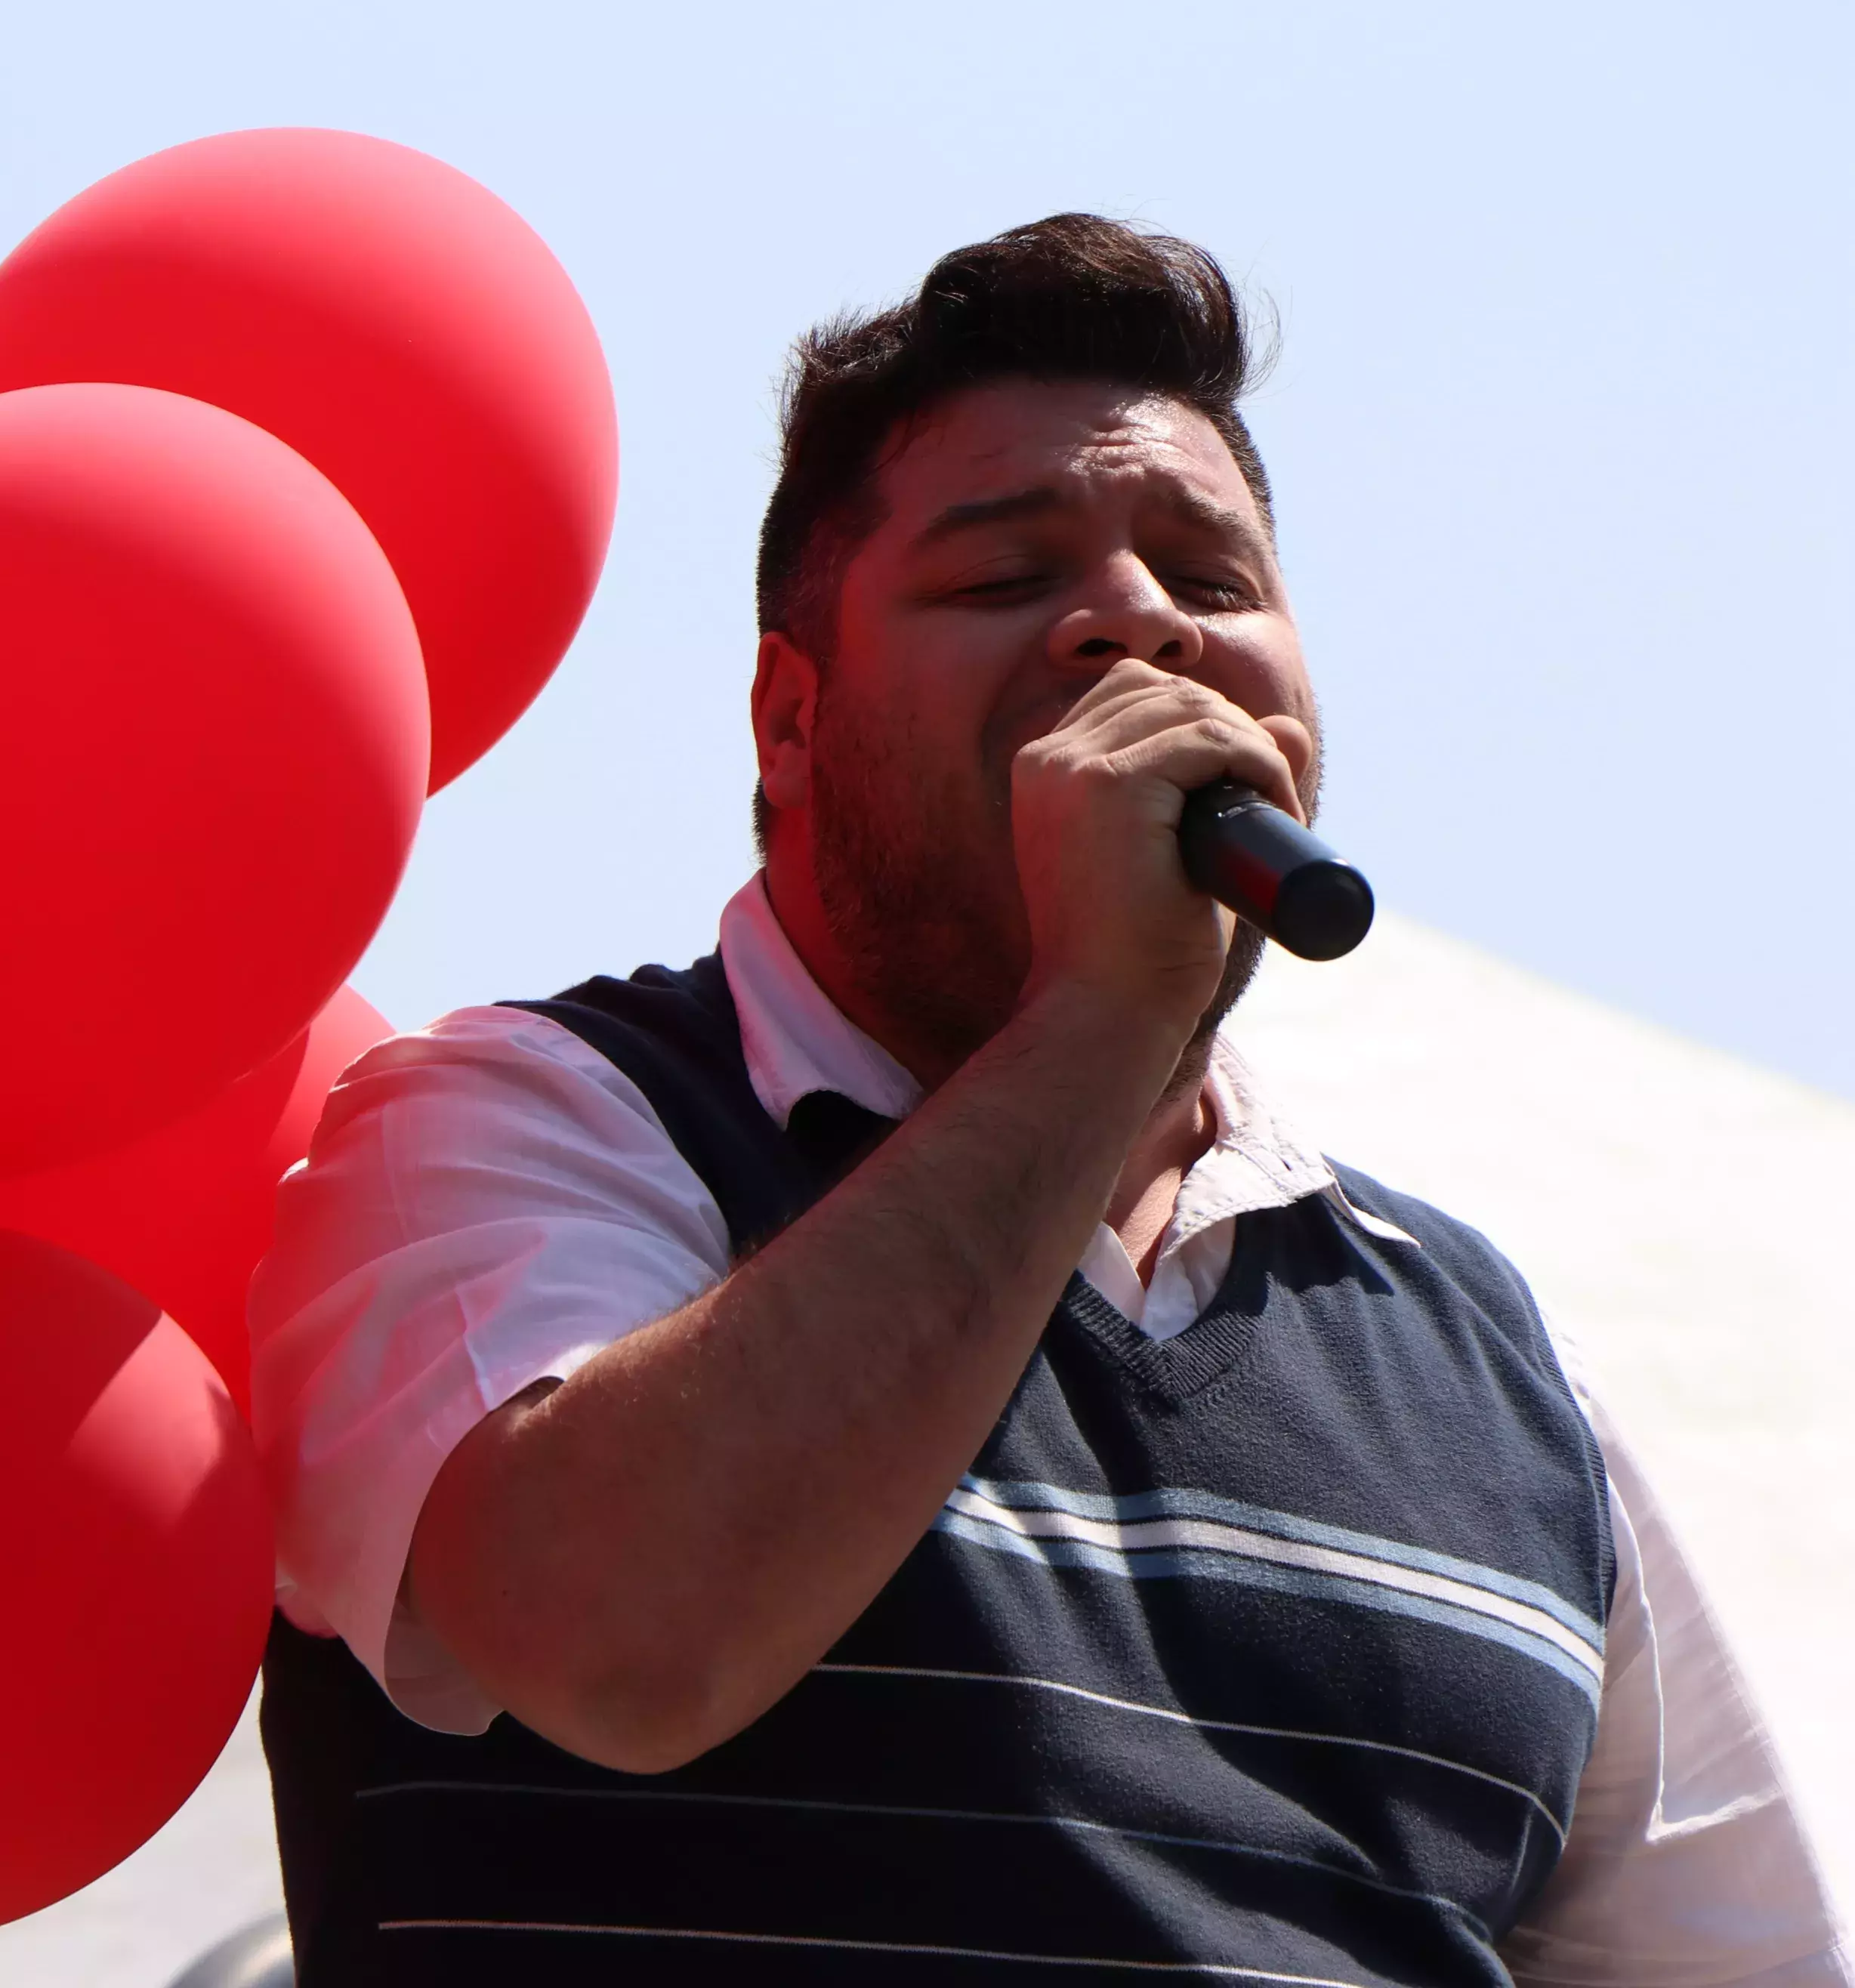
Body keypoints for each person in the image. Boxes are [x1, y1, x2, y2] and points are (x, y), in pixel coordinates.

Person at [248, 215, 1845, 1986]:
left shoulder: (1492, 1365)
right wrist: (1095, 1016)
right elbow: (623, 1639)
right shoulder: (520, 1131)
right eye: (1007, 576)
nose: (1140, 621)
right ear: (790, 720)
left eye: (1211, 577)